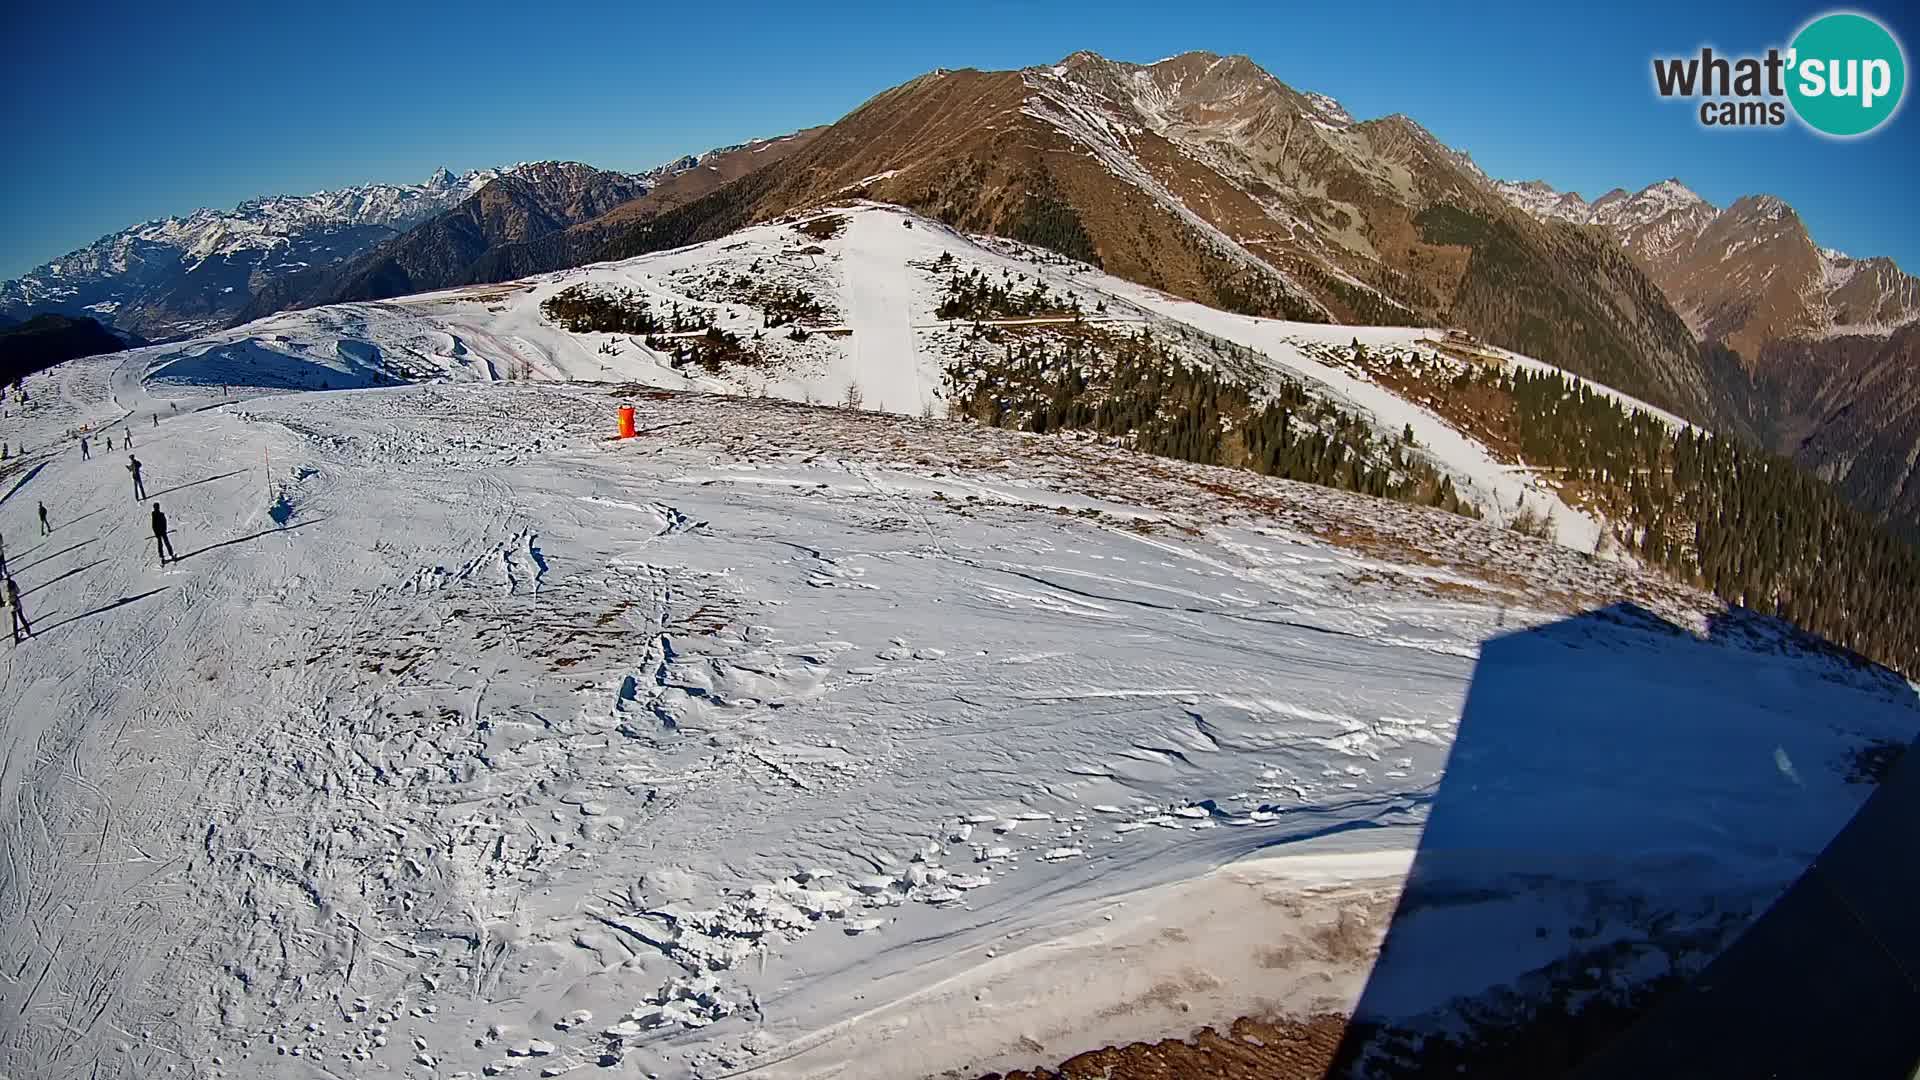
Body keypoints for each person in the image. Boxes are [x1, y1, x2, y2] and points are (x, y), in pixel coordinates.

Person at [5, 577, 27, 642]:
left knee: (14, 622)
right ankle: (28, 631)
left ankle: (16, 638)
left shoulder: (3, 587)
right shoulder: (13, 582)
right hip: (16, 602)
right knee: (21, 617)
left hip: (10, 604)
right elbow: (18, 591)